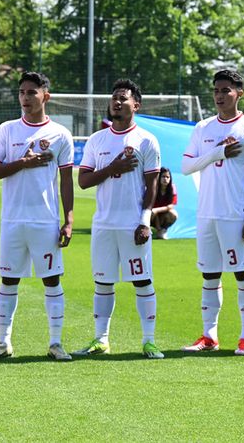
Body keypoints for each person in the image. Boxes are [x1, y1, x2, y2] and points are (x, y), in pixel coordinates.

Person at [0, 71, 75, 361]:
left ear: (45, 96)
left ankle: (56, 342)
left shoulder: (60, 134)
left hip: (44, 221)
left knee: (51, 280)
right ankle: (3, 342)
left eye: (31, 92)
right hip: (13, 221)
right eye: (22, 92)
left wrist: (69, 219)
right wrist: (24, 162)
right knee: (8, 280)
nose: (25, 97)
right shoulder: (7, 130)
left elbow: (65, 180)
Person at [75, 79, 164, 359]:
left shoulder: (146, 140)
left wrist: (144, 221)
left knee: (142, 280)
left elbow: (152, 185)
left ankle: (149, 341)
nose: (116, 102)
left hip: (132, 224)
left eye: (123, 98)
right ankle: (101, 339)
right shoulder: (97, 139)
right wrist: (113, 167)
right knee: (103, 283)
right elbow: (84, 180)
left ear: (136, 105)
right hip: (103, 224)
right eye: (114, 97)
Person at [180, 69, 244, 356]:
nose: (219, 95)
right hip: (207, 214)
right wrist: (216, 153)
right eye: (216, 90)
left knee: (242, 274)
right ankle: (209, 336)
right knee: (209, 276)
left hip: (234, 214)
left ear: (239, 93)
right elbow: (186, 166)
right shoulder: (203, 128)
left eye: (226, 90)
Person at [151, 168, 178, 239]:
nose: (165, 179)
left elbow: (171, 206)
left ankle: (163, 230)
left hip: (162, 214)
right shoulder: (153, 188)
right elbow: (151, 207)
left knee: (173, 214)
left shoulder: (172, 187)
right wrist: (157, 227)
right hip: (152, 215)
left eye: (167, 177)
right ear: (159, 177)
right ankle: (151, 229)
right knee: (149, 212)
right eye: (163, 176)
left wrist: (157, 210)